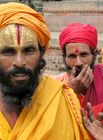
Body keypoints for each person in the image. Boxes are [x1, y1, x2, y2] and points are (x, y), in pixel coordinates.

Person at [0, 2, 91, 140]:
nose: (19, 62)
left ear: (41, 53)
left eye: (29, 50)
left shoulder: (64, 99)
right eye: (8, 52)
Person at [54, 23, 103, 108]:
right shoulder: (55, 85)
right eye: (72, 56)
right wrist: (71, 92)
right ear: (64, 57)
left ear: (94, 55)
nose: (78, 63)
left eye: (84, 55)